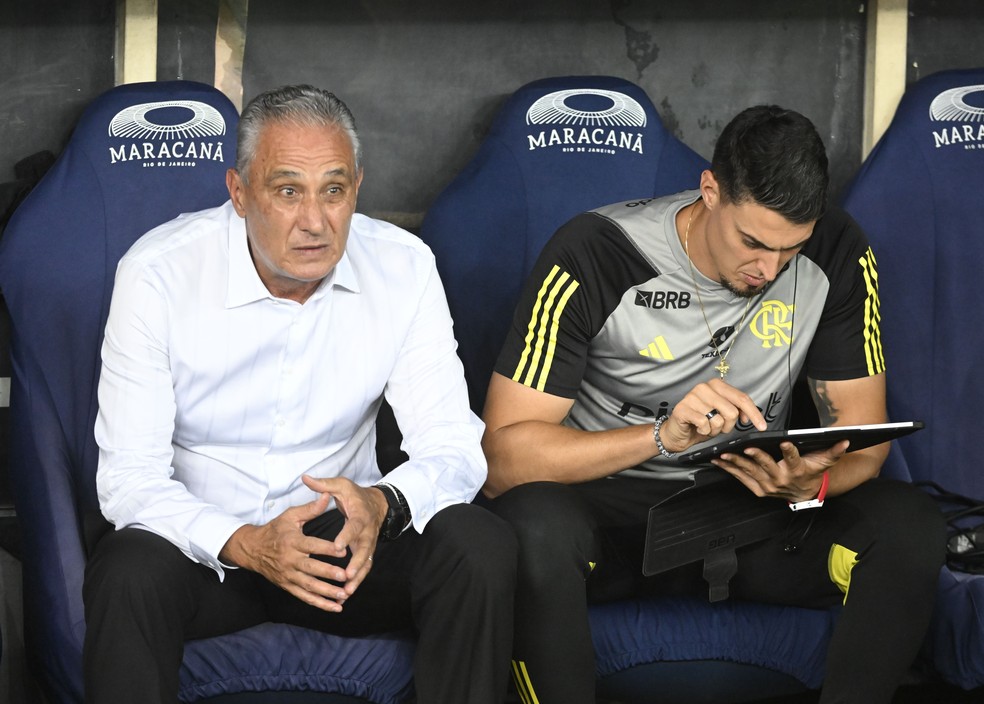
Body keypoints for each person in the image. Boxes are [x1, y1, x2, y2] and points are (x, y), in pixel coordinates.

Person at [481, 105, 945, 704]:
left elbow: (866, 440)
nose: (767, 269)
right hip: (612, 513)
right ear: (710, 192)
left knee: (909, 526)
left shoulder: (838, 252)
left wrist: (813, 483)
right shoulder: (595, 252)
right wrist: (660, 436)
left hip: (751, 505)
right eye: (751, 242)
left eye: (789, 250)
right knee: (531, 525)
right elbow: (500, 460)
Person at [83, 84, 517, 704]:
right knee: (126, 572)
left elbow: (455, 446)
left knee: (478, 544)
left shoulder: (403, 267)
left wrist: (382, 505)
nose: (315, 221)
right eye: (287, 191)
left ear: (357, 189)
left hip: (340, 550)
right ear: (239, 192)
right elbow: (128, 479)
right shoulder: (159, 273)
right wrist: (246, 544)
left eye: (333, 191)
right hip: (206, 551)